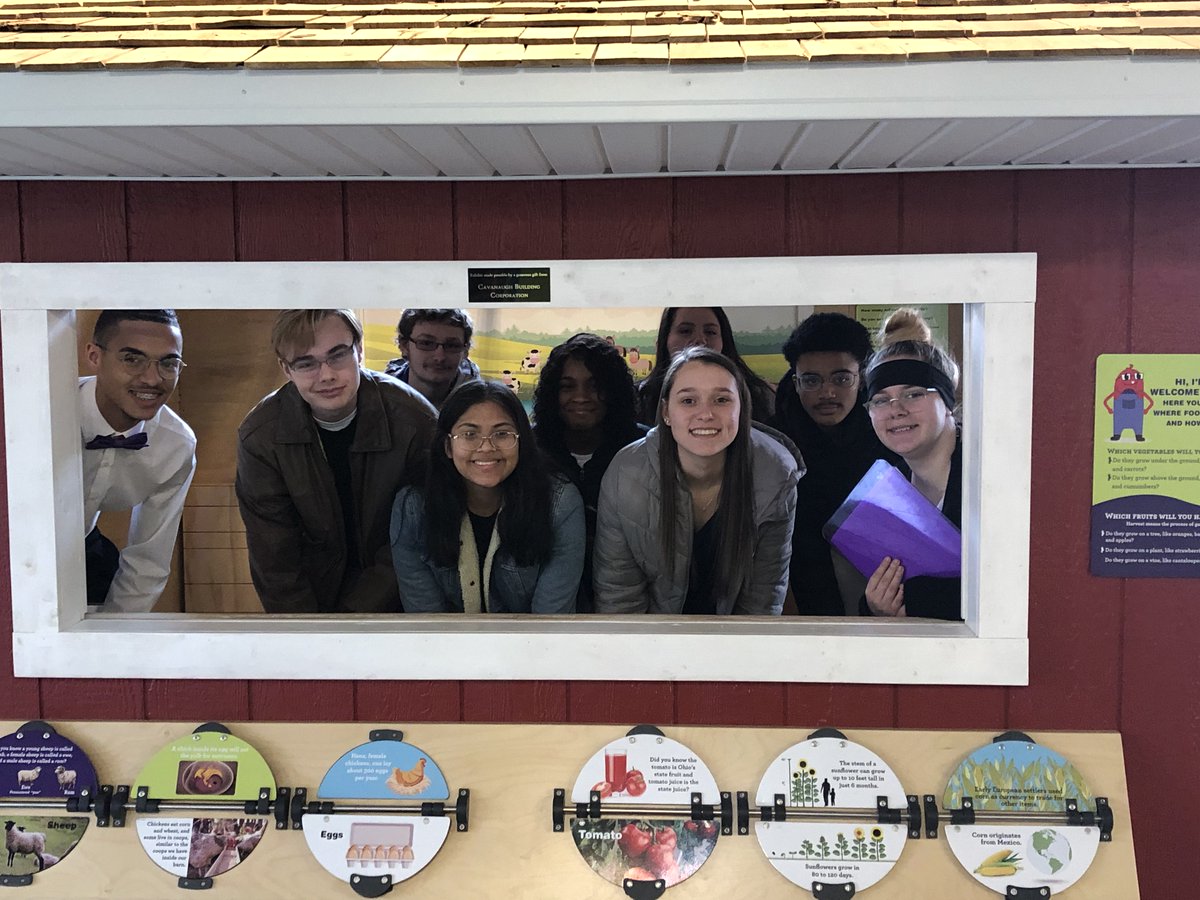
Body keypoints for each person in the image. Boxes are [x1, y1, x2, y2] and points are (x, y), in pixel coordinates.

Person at [236, 309, 436, 614]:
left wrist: (350, 619)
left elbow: (416, 538)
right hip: (308, 606)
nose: (326, 375)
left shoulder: (415, 421)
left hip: (402, 599)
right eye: (306, 363)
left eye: (338, 355)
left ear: (359, 350)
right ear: (286, 369)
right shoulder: (261, 437)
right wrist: (309, 634)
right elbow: (275, 557)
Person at [594, 347, 800, 615]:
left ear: (742, 409)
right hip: (652, 643)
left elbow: (762, 599)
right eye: (689, 401)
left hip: (733, 645)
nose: (706, 414)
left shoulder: (775, 475)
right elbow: (619, 599)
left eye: (722, 400)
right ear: (666, 412)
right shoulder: (626, 474)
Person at [390, 381, 585, 614]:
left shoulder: (560, 504)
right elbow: (426, 623)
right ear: (448, 447)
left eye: (501, 434)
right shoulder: (413, 507)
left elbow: (550, 623)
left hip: (533, 646)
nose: (486, 447)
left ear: (521, 442)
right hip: (445, 647)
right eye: (469, 434)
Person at [771, 313, 901, 615]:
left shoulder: (888, 439)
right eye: (811, 380)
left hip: (879, 600)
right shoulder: (773, 445)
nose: (827, 392)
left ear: (862, 376)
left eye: (841, 378)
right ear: (795, 380)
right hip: (792, 601)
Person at [80, 309, 196, 611]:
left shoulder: (175, 445)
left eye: (169, 363)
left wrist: (115, 642)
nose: (152, 379)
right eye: (132, 359)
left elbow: (148, 561)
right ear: (94, 356)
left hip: (85, 552)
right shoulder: (40, 413)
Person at [532, 334, 647, 612]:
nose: (581, 397)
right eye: (567, 386)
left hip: (631, 600)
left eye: (595, 386)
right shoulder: (529, 450)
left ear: (614, 391)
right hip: (545, 599)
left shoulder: (644, 450)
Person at [860, 308, 962, 621]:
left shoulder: (988, 480)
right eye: (881, 399)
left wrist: (916, 607)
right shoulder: (885, 493)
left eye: (913, 394)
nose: (896, 410)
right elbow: (876, 592)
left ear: (947, 402)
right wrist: (878, 608)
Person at [635, 307, 776, 426]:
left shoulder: (760, 396)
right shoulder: (640, 398)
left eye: (710, 332)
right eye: (685, 331)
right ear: (666, 339)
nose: (700, 340)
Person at [385, 308, 480, 409]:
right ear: (404, 346)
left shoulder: (479, 403)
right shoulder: (381, 398)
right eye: (426, 343)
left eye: (452, 345)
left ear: (465, 351)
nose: (440, 357)